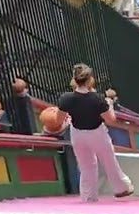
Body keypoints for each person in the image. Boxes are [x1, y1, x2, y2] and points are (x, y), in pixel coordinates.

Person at [57, 64, 134, 201]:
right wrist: (109, 104)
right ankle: (121, 187)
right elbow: (111, 120)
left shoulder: (66, 98)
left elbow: (58, 119)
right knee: (108, 160)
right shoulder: (97, 99)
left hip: (77, 133)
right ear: (89, 80)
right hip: (97, 132)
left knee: (86, 166)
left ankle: (88, 196)